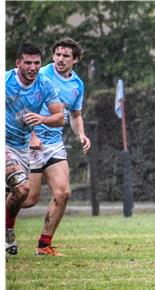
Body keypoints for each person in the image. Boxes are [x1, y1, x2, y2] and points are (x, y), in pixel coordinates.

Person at [20, 38, 90, 256]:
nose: (60, 59)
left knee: (63, 193)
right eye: (57, 54)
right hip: (29, 142)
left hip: (54, 144)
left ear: (75, 60)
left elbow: (75, 115)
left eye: (66, 56)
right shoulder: (40, 74)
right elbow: (21, 106)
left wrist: (81, 134)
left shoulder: (77, 84)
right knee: (29, 199)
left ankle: (44, 246)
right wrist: (32, 135)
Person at [5, 43, 64, 255]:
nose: (33, 67)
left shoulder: (45, 84)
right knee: (21, 188)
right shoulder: (6, 81)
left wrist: (42, 119)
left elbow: (60, 117)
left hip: (22, 147)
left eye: (37, 63)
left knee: (24, 194)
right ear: (18, 63)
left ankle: (7, 227)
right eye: (28, 62)